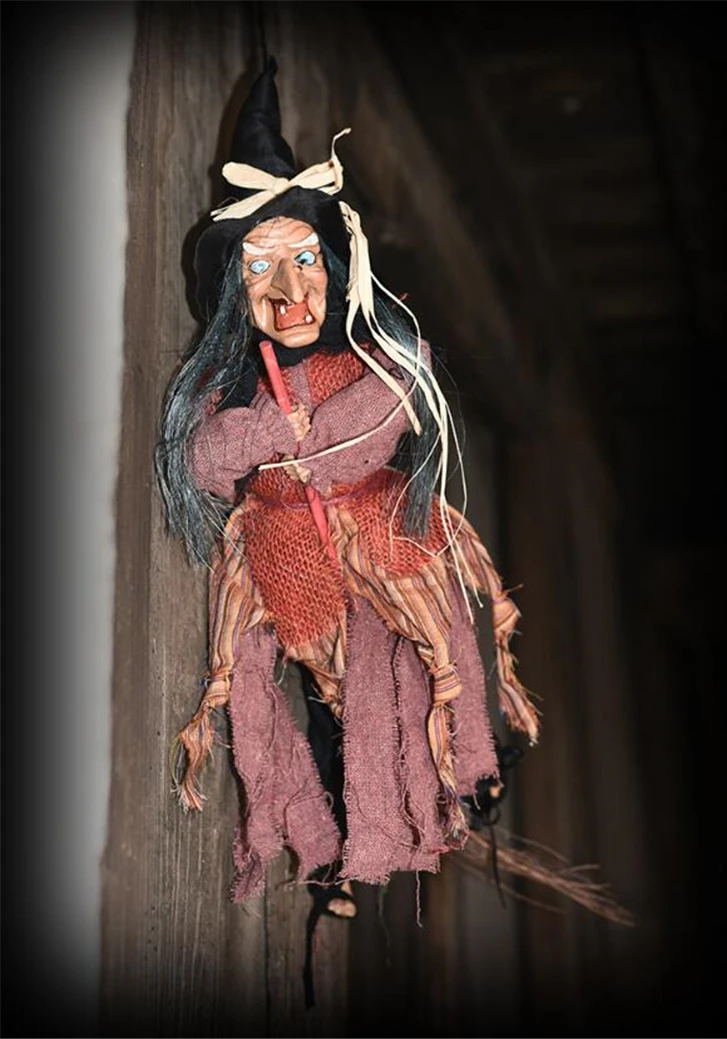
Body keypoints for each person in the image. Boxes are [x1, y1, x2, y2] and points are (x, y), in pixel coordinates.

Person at [157, 59, 538, 903]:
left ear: (335, 264)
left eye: (303, 260)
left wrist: (311, 443)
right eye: (259, 269)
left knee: (426, 659)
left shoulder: (370, 354)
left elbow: (389, 409)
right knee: (327, 707)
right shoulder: (235, 387)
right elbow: (204, 461)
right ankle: (330, 848)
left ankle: (466, 766)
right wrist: (266, 433)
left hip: (384, 546)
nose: (288, 290)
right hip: (289, 568)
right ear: (235, 290)